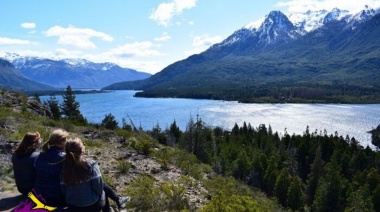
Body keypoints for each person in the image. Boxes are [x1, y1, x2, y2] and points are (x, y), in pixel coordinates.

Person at [61, 137, 130, 212]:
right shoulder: (90, 164)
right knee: (104, 192)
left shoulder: (64, 166)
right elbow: (99, 188)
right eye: (82, 144)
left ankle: (118, 200)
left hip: (72, 206)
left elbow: (63, 189)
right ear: (81, 149)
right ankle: (115, 203)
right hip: (91, 206)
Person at [34, 129, 68, 207]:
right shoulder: (63, 157)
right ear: (62, 143)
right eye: (66, 140)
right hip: (55, 197)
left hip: (39, 194)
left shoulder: (41, 155)